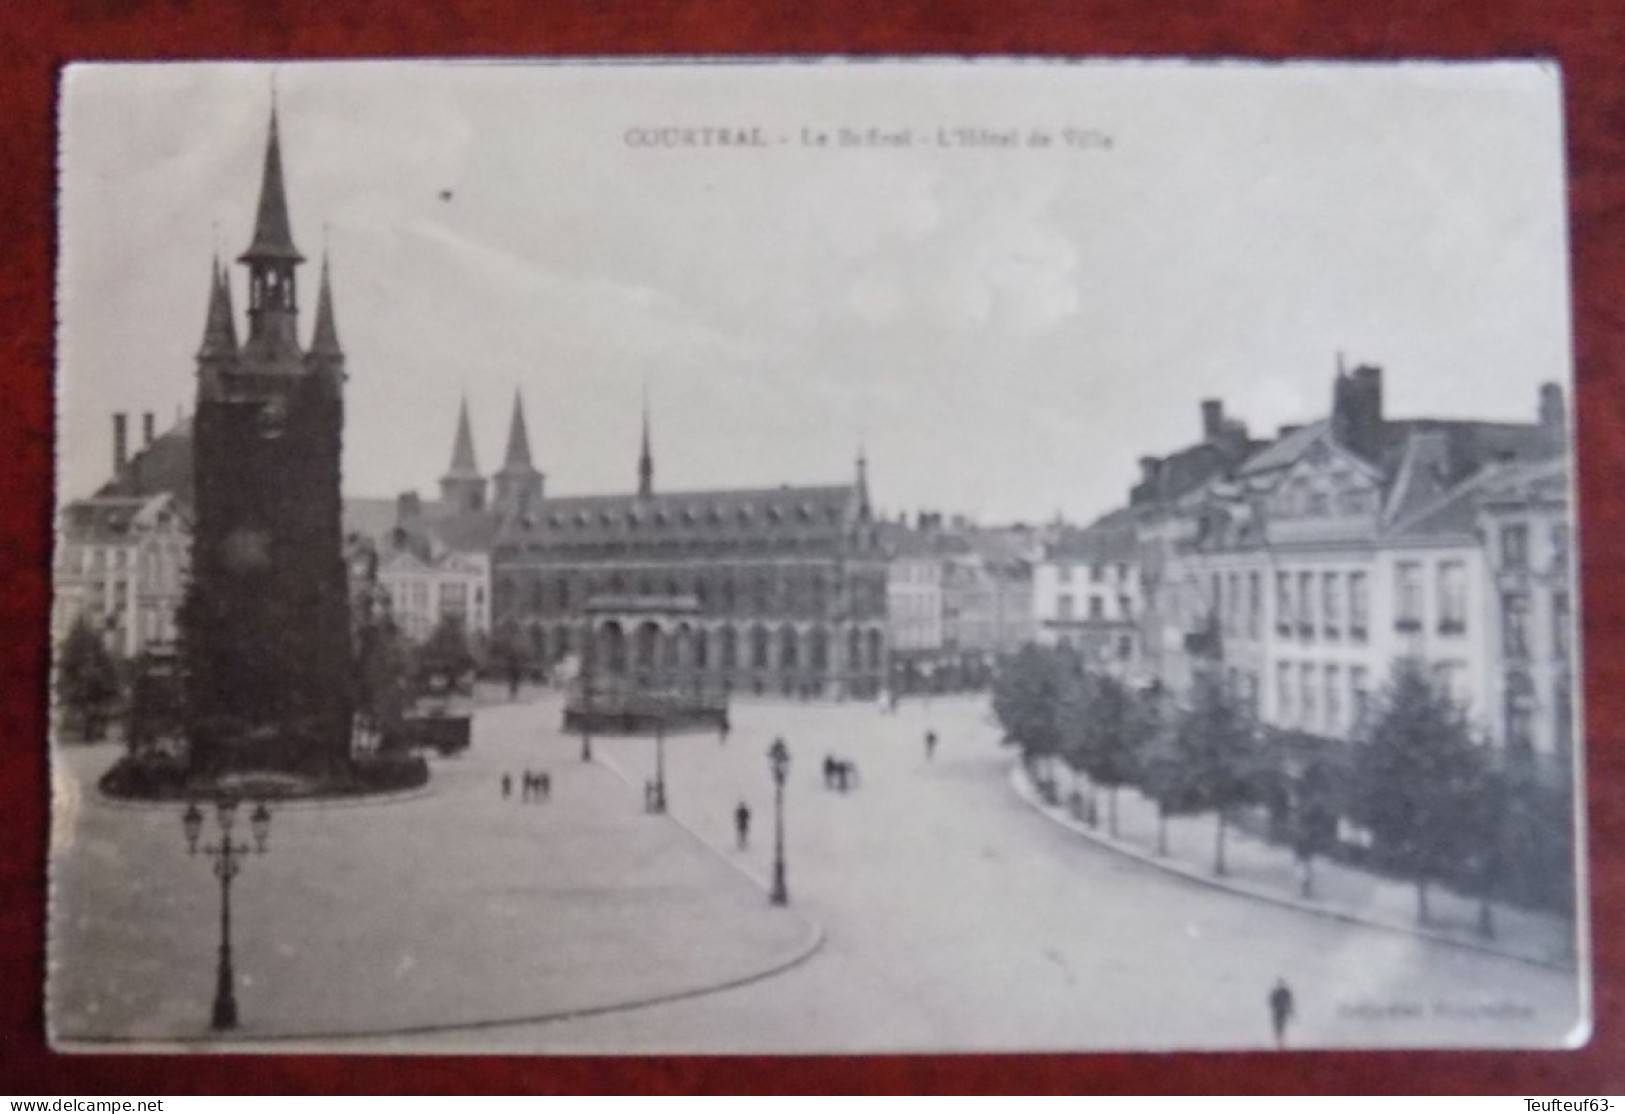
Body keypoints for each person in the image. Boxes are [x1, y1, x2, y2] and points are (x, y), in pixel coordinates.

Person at [1268, 978, 1295, 1048]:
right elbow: (1272, 1002)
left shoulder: (1285, 992)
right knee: (1278, 1026)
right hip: (1278, 1011)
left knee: (1281, 1026)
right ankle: (1279, 1040)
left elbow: (1289, 1002)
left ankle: (1281, 1040)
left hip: (1282, 1011)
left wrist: (1290, 1011)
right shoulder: (1278, 992)